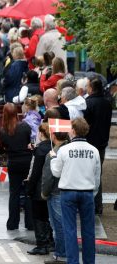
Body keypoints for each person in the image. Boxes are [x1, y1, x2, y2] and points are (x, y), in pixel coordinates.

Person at [50, 117, 101, 264]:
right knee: (88, 231)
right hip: (87, 192)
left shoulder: (64, 150)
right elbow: (97, 176)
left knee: (70, 230)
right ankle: (89, 261)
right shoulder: (94, 151)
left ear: (73, 131)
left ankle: (73, 261)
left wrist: (53, 159)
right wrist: (93, 192)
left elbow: (56, 173)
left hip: (68, 192)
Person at [0, 103, 33, 230]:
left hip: (13, 163)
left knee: (14, 193)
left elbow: (2, 148)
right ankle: (30, 223)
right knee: (28, 192)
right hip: (27, 162)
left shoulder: (3, 131)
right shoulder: (25, 127)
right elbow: (29, 142)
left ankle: (12, 223)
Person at [83, 78, 112, 215]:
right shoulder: (107, 103)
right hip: (102, 143)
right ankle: (97, 205)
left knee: (88, 174)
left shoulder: (88, 103)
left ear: (91, 88)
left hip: (90, 142)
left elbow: (85, 124)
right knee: (97, 173)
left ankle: (91, 205)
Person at [42, 123, 70, 264]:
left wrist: (44, 193)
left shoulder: (54, 153)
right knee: (67, 225)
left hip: (56, 192)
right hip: (70, 190)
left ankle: (61, 254)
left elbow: (48, 177)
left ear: (53, 135)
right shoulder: (70, 150)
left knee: (58, 225)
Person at [26, 123, 53, 255]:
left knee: (39, 216)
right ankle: (50, 242)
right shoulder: (55, 147)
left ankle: (41, 244)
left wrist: (29, 188)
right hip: (52, 187)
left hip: (39, 188)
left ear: (41, 134)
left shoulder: (41, 149)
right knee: (49, 216)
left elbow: (35, 172)